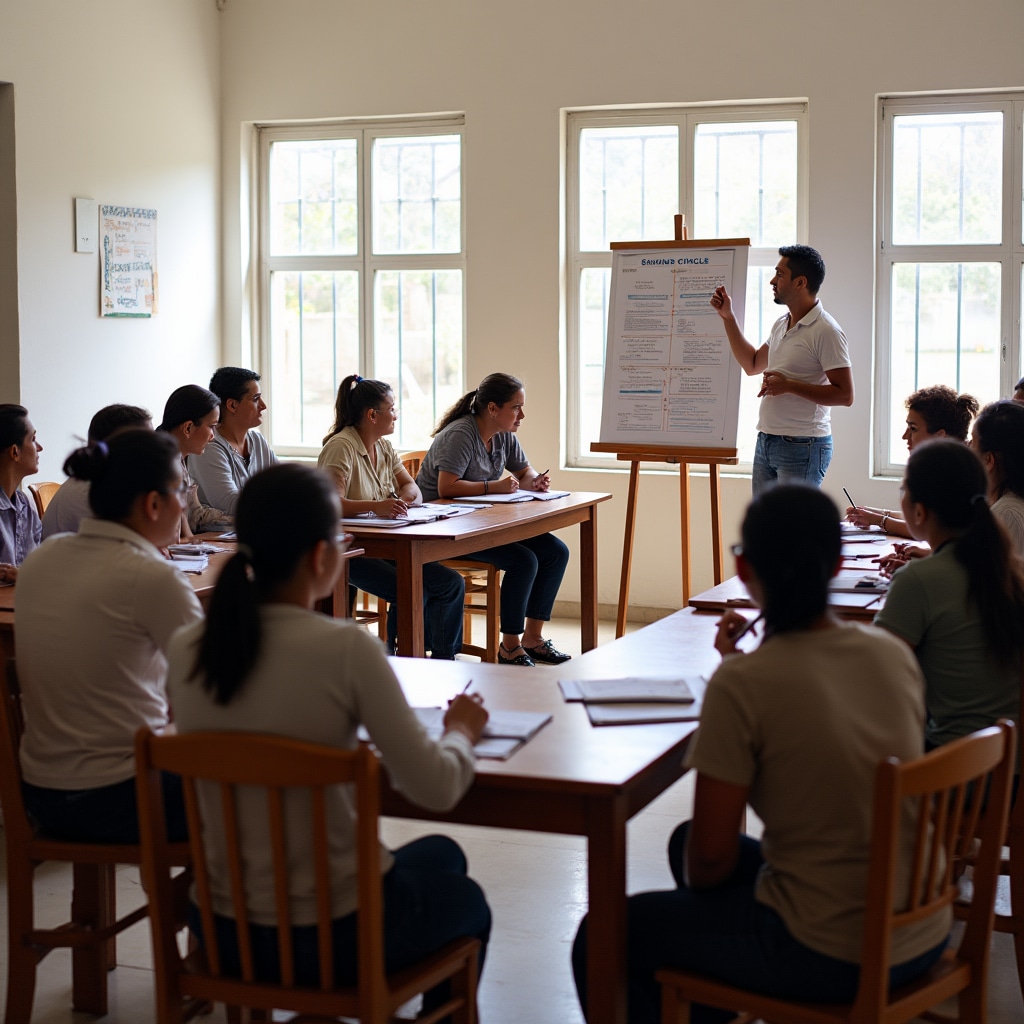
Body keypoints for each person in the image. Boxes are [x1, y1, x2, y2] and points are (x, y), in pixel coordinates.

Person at [572, 485, 947, 1024]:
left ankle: (721, 993)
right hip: (919, 929)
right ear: (838, 562)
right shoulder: (891, 653)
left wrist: (736, 670)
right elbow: (811, 690)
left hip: (831, 951)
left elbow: (710, 863)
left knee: (602, 935)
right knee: (682, 844)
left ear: (744, 569)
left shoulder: (745, 683)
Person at [167, 463, 491, 1005]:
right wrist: (460, 732)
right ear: (323, 556)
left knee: (441, 857)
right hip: (335, 930)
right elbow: (436, 788)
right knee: (466, 898)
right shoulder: (344, 649)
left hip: (225, 926)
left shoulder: (187, 648)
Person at [16, 429, 202, 842]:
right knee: (268, 782)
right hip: (122, 795)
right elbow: (215, 687)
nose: (186, 499)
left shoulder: (43, 559)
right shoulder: (152, 576)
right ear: (154, 504)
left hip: (41, 794)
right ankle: (209, 905)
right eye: (184, 488)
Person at [874, 439, 1024, 750]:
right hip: (1009, 769)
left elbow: (875, 674)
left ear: (919, 511)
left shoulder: (917, 580)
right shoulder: (1010, 570)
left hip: (952, 777)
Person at [417, 372, 571, 666]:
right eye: (516, 407)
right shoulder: (461, 434)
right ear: (492, 409)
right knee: (523, 560)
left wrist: (535, 480)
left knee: (555, 552)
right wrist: (493, 486)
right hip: (445, 528)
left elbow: (524, 472)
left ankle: (533, 639)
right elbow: (446, 488)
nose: (521, 415)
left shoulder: (504, 435)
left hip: (482, 522)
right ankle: (510, 647)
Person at [318, 375, 464, 658]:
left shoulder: (383, 446)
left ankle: (444, 659)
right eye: (393, 408)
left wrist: (403, 500)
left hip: (388, 544)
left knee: (450, 583)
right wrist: (377, 506)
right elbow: (329, 504)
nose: (397, 414)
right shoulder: (341, 446)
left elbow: (412, 487)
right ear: (373, 415)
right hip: (353, 548)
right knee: (411, 589)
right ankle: (403, 656)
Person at [710, 245, 853, 495]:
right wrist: (728, 318)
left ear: (800, 282)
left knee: (792, 531)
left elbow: (845, 395)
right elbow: (753, 364)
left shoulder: (826, 331)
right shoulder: (781, 323)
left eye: (779, 274)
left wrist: (789, 386)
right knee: (766, 528)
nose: (772, 281)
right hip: (767, 439)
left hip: (803, 445)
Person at [846, 385, 979, 537]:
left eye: (913, 428)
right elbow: (926, 519)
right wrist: (872, 513)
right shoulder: (945, 464)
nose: (904, 436)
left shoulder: (960, 472)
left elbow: (930, 530)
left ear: (940, 435)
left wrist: (879, 520)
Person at [41, 403, 153, 539]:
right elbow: (124, 548)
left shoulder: (101, 482)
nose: (153, 451)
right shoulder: (92, 492)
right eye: (148, 443)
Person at [188, 366, 276, 515]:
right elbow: (233, 505)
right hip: (216, 535)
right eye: (255, 399)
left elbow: (283, 485)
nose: (263, 406)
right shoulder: (209, 447)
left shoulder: (258, 440)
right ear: (232, 405)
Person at [158, 384, 232, 538]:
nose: (213, 435)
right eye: (211, 427)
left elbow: (194, 515)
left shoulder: (179, 459)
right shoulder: (160, 464)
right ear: (188, 428)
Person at [970, 399, 1024, 555]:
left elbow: (991, 578)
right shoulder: (1003, 505)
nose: (967, 446)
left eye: (973, 442)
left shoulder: (1007, 514)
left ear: (988, 460)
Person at [0, 404, 43, 583]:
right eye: (33, 439)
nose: (39, 447)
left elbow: (42, 567)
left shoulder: (25, 504)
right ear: (15, 452)